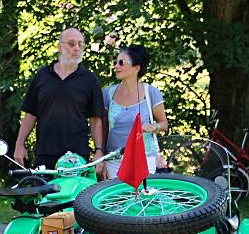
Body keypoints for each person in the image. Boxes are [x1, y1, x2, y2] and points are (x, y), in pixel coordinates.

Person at [14, 28, 104, 171]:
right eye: (72, 44)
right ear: (60, 47)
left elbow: (96, 120)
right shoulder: (42, 76)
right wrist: (19, 144)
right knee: (42, 193)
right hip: (44, 153)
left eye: (81, 44)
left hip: (77, 156)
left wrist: (99, 150)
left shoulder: (89, 80)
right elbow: (30, 114)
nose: (77, 48)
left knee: (75, 194)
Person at [102, 45, 168, 178]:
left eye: (121, 63)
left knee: (143, 198)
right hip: (113, 161)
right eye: (115, 62)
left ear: (136, 68)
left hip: (144, 159)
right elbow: (103, 128)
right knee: (117, 198)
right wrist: (102, 157)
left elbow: (164, 124)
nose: (116, 66)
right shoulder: (107, 93)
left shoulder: (151, 93)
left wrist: (153, 126)